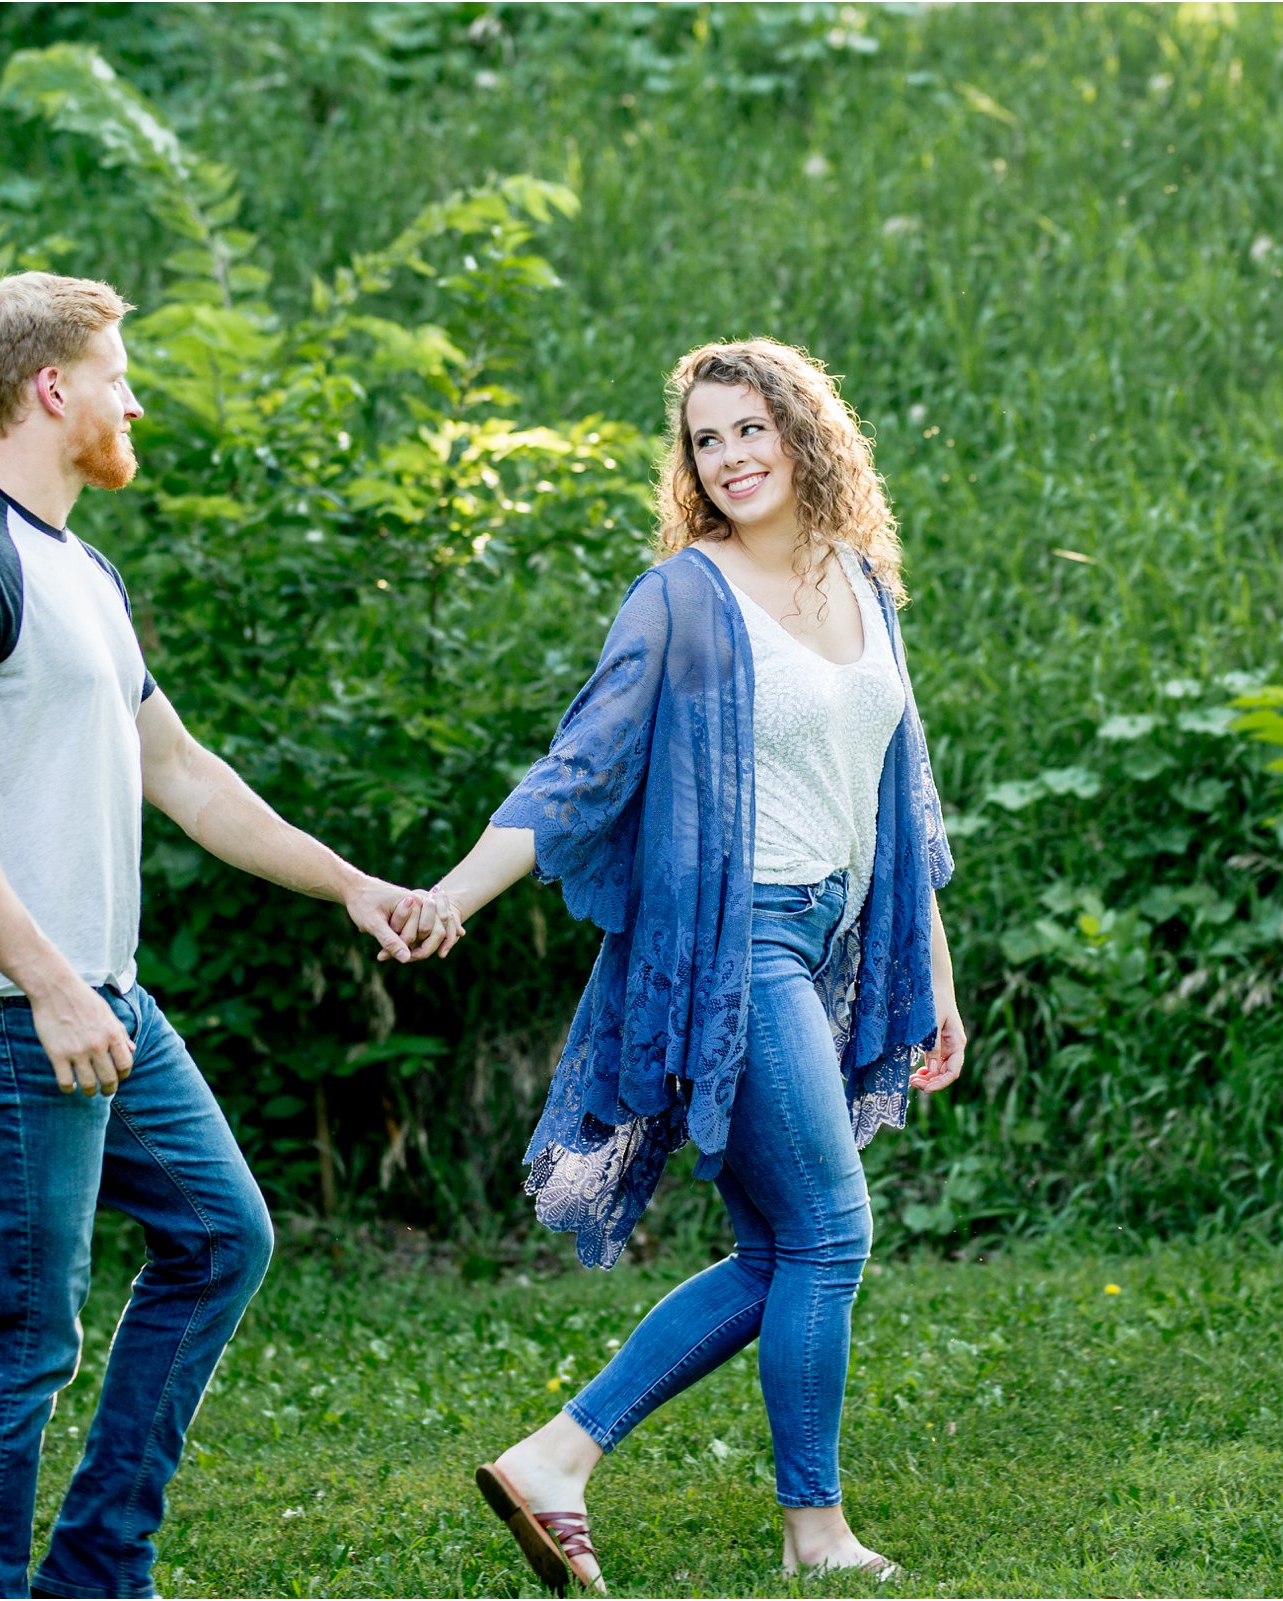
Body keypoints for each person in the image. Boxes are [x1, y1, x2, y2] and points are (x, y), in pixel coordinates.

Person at [0, 271, 454, 1600]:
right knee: (22, 1336)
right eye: (119, 373)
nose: (137, 400)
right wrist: (46, 985)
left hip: (101, 999)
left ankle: (94, 1570)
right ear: (51, 387)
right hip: (5, 1009)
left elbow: (180, 771)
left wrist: (348, 883)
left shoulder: (82, 567)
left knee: (221, 1236)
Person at [413, 338, 967, 1592]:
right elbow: (579, 768)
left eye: (749, 429)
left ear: (804, 433)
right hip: (739, 943)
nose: (728, 458)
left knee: (779, 1247)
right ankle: (812, 1531)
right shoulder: (680, 599)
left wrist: (930, 968)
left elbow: (899, 791)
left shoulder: (862, 585)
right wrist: (453, 891)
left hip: (834, 927)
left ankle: (556, 1456)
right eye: (705, 440)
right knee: (829, 1228)